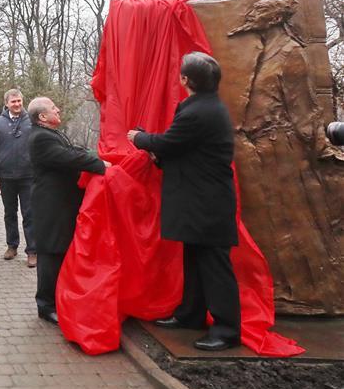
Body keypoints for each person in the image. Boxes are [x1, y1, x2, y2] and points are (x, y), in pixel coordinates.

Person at [128, 51, 241, 351]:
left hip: (208, 203)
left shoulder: (198, 111)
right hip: (200, 201)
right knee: (194, 260)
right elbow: (184, 151)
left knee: (215, 266)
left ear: (185, 80)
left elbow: (170, 142)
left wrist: (140, 138)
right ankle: (190, 315)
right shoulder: (205, 107)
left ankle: (227, 330)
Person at [27, 96, 109, 325]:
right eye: (54, 108)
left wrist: (96, 156)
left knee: (60, 252)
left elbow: (74, 149)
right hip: (50, 207)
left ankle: (59, 300)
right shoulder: (41, 137)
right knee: (50, 255)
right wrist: (100, 165)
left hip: (60, 205)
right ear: (43, 117)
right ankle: (46, 305)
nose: (58, 109)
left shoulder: (50, 134)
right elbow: (68, 157)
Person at [0, 89, 36, 266]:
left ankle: (32, 251)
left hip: (28, 176)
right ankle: (12, 246)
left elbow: (40, 143)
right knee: (10, 213)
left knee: (30, 213)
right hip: (6, 176)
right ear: (6, 103)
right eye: (13, 101)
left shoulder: (31, 120)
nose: (17, 104)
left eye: (19, 101)